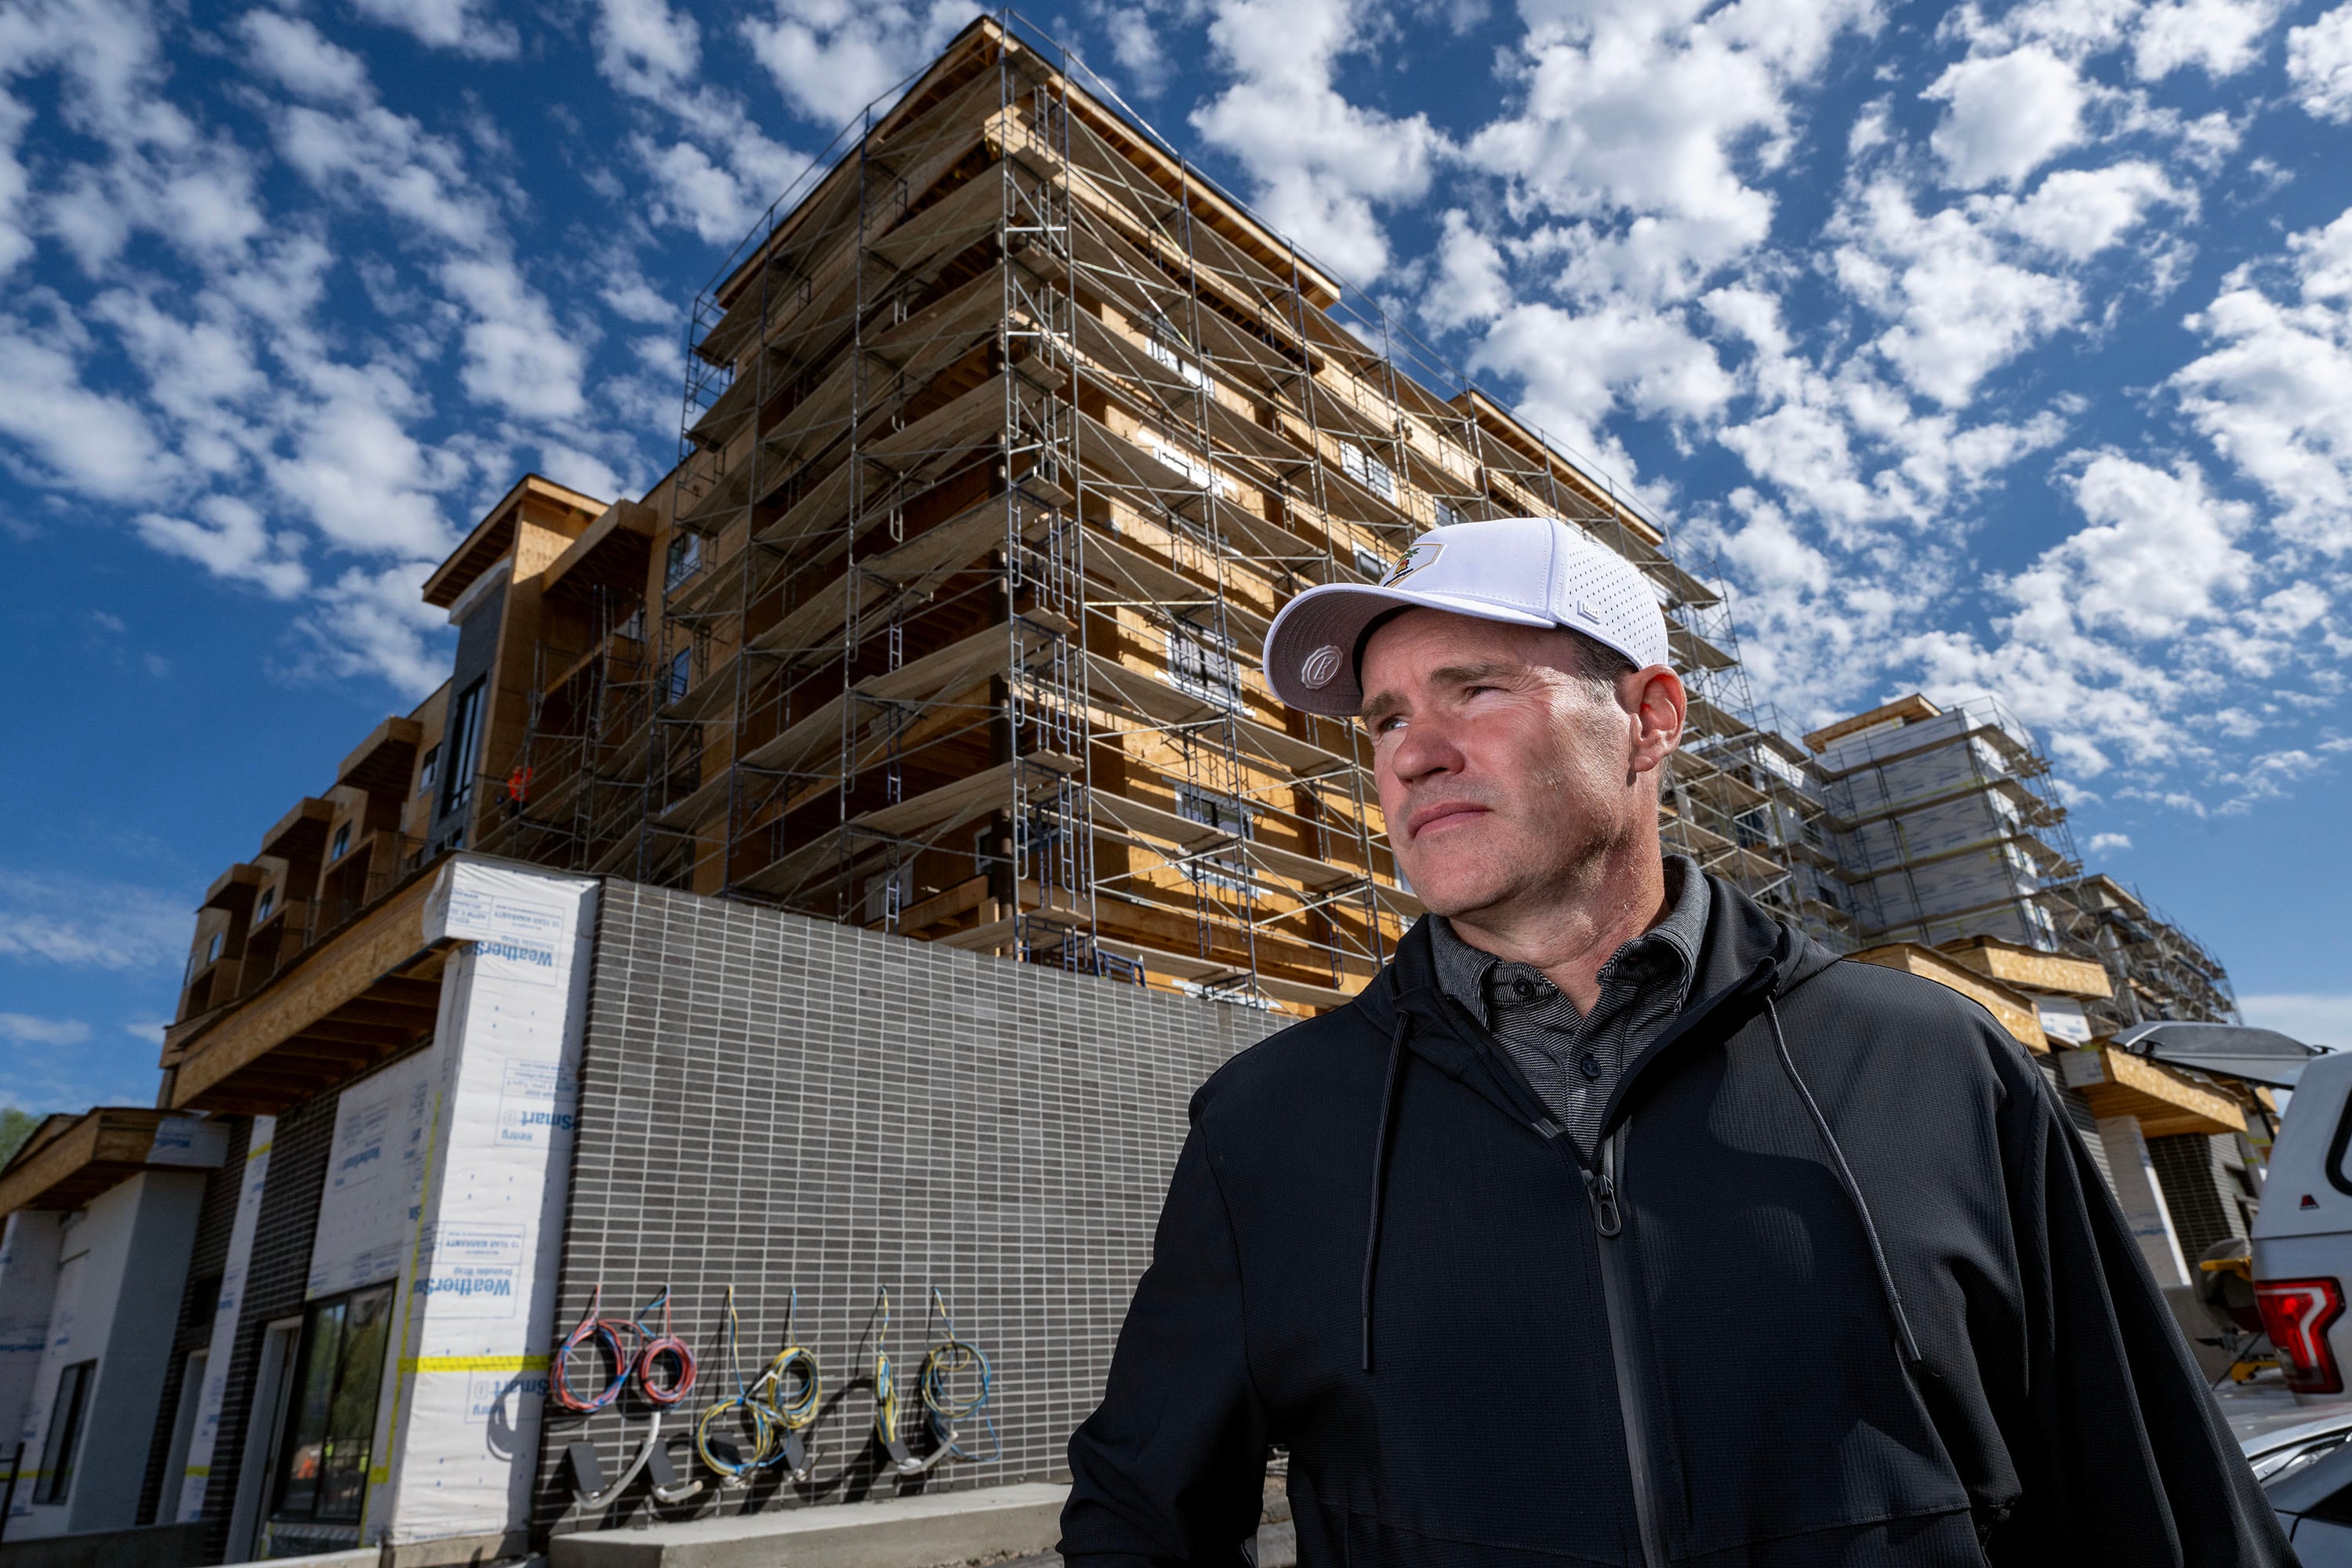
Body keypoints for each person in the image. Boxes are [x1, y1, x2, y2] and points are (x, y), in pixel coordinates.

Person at [1058, 517, 2288, 1566]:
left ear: (1650, 719)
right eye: (1385, 720)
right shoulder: (1268, 1121)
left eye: (1477, 690)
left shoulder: (1933, 1063)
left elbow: (2155, 1491)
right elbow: (1141, 1523)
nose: (1415, 754)